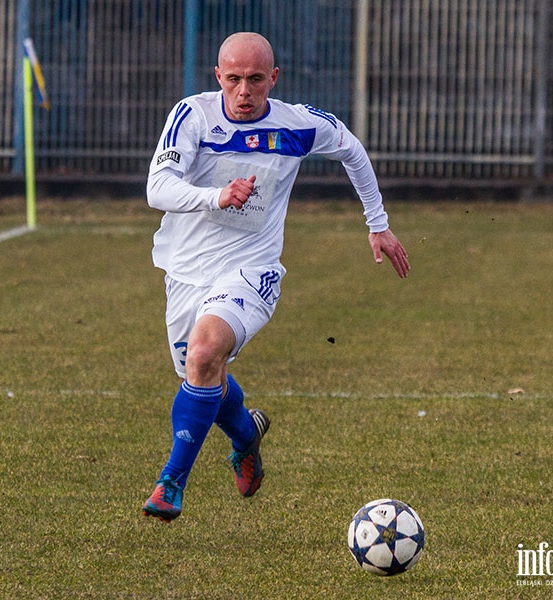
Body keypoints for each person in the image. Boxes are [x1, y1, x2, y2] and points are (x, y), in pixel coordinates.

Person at [142, 32, 409, 523]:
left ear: (274, 79)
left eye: (256, 80)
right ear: (218, 77)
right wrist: (216, 196)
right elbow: (158, 187)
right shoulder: (193, 115)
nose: (244, 91)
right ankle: (246, 436)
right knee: (200, 375)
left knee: (204, 354)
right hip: (185, 268)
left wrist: (378, 224)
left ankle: (170, 483)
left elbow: (352, 150)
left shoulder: (298, 124)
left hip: (252, 267)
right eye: (235, 79)